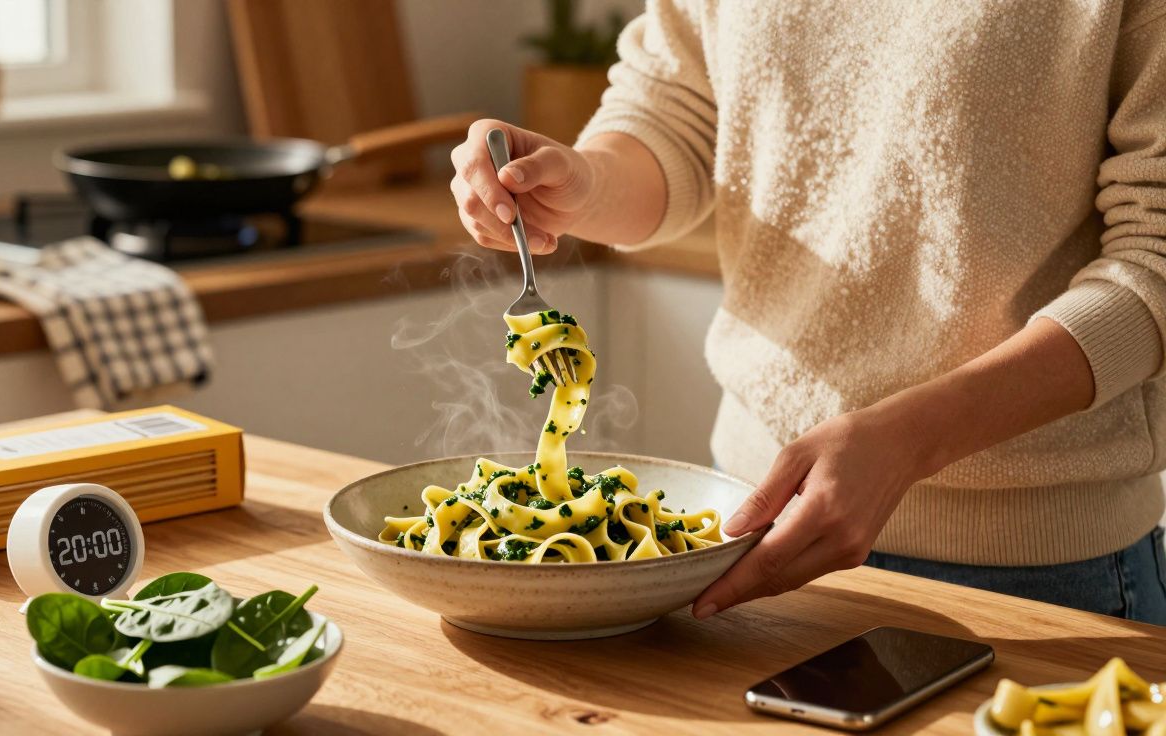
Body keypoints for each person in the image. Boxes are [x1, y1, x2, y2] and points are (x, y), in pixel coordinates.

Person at [448, 0, 1166, 623]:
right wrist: (584, 181)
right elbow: (677, 110)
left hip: (1035, 573)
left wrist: (911, 440)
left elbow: (1154, 259)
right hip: (749, 524)